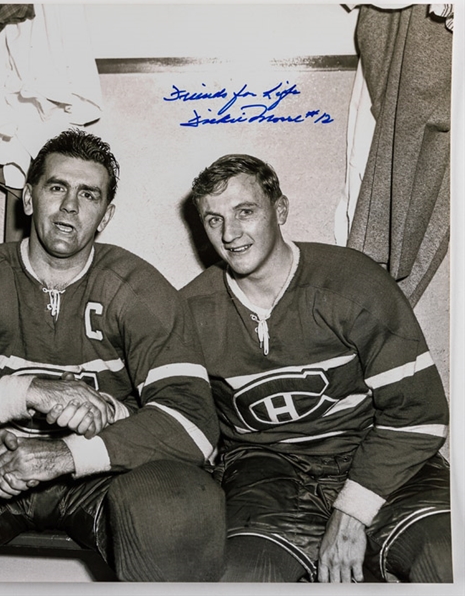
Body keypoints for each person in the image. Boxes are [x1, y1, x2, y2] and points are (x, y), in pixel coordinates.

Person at [0, 129, 225, 581]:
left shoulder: (139, 288)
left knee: (177, 509)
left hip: (98, 473)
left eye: (88, 194)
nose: (70, 206)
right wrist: (7, 411)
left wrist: (66, 454)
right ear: (29, 199)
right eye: (57, 188)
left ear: (105, 216)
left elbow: (193, 425)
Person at [179, 153, 451, 583]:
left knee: (447, 558)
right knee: (238, 577)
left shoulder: (353, 283)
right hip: (266, 469)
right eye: (213, 220)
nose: (230, 234)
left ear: (280, 210)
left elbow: (419, 415)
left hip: (376, 456)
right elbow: (170, 412)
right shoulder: (190, 311)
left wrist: (352, 510)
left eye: (244, 212)